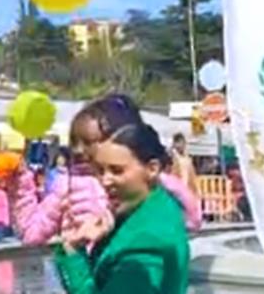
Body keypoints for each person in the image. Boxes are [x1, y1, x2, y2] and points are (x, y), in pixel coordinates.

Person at [7, 95, 203, 245]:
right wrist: (19, 182)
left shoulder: (138, 180)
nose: (78, 149)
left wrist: (161, 182)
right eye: (74, 141)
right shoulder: (66, 185)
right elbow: (32, 233)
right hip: (87, 275)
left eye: (89, 142)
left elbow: (192, 220)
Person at [53, 123, 190, 294]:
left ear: (152, 169)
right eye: (100, 170)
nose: (105, 180)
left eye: (117, 171)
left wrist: (73, 253)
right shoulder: (153, 208)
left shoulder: (146, 241)